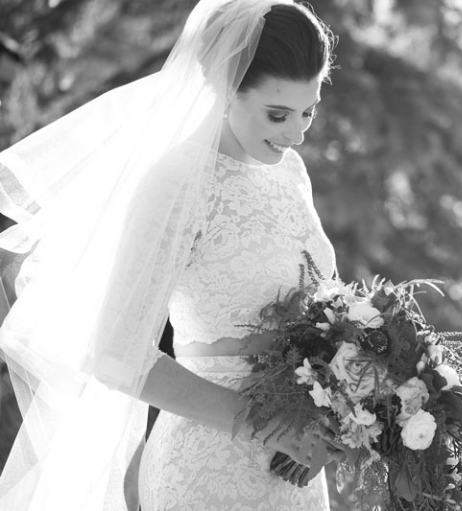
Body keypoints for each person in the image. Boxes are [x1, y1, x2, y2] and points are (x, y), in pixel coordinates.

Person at [0, 1, 342, 509]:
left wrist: (329, 414)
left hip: (295, 470)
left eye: (307, 112)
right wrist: (263, 423)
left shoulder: (290, 174)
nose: (295, 134)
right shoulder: (177, 181)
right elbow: (118, 354)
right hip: (208, 466)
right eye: (278, 114)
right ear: (229, 87)